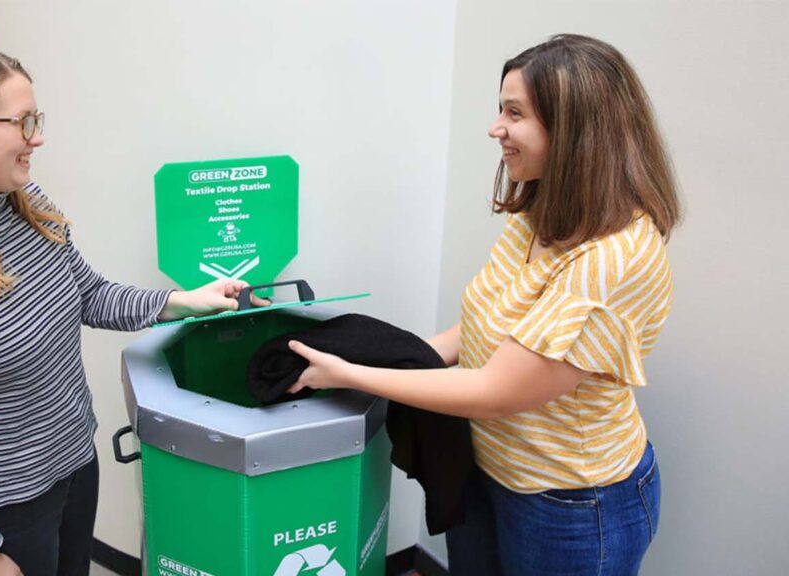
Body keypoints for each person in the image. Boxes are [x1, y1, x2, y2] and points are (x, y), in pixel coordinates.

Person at [287, 34, 680, 576]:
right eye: (501, 110)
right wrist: (382, 356)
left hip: (570, 505)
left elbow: (497, 392)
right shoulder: (540, 215)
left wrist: (348, 373)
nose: (496, 128)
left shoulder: (615, 257)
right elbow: (479, 330)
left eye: (513, 113)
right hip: (487, 471)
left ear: (574, 131)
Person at [0, 47, 256, 576]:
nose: (38, 137)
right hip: (2, 507)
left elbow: (87, 294)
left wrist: (176, 302)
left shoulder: (25, 201)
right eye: (22, 122)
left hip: (73, 463)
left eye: (37, 119)